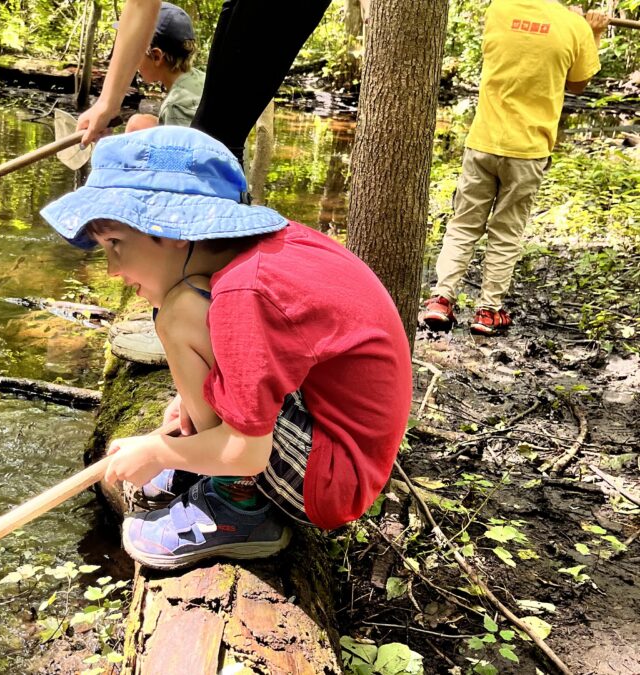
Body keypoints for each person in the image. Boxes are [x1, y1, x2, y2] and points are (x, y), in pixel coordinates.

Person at [40, 126, 412, 569]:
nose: (112, 268)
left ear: (175, 228)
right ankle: (210, 465)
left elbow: (248, 451)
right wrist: (191, 402)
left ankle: (240, 503)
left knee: (180, 311)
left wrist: (159, 452)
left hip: (333, 480)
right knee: (184, 306)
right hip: (331, 437)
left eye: (117, 244)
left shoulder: (244, 293)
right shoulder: (263, 254)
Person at [421, 2, 609, 336]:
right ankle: (488, 311)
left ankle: (440, 299)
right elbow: (578, 84)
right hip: (528, 150)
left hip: (483, 142)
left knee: (464, 225)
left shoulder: (499, 10)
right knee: (506, 233)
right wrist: (591, 33)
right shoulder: (572, 25)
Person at [77, 0, 333, 161]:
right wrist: (109, 104)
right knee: (218, 138)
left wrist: (115, 146)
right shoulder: (195, 80)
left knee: (210, 146)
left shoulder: (178, 102)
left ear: (157, 56)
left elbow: (184, 157)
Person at [121, 2, 205, 133]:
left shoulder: (176, 106)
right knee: (139, 122)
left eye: (136, 51)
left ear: (157, 56)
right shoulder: (200, 77)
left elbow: (181, 152)